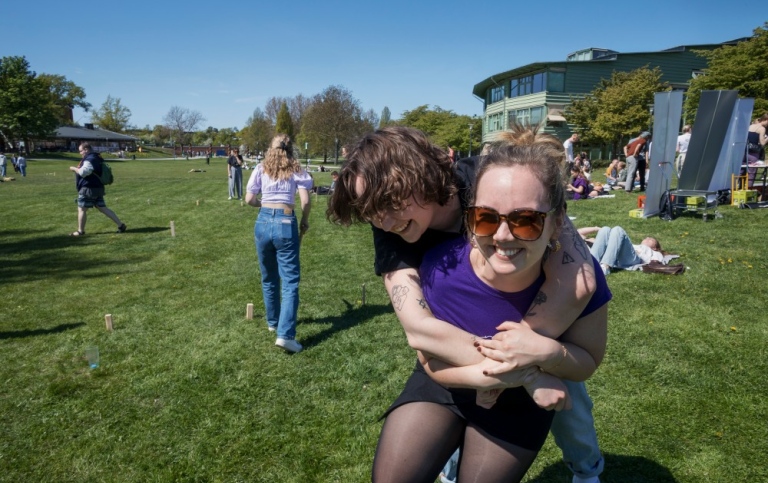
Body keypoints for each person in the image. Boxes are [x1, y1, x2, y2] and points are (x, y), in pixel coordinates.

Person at [327, 126, 605, 483]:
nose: (383, 221)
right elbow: (419, 328)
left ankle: (586, 470)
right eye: (371, 211)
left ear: (418, 175)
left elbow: (578, 281)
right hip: (472, 354)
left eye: (390, 202)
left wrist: (531, 354)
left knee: (569, 401)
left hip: (537, 331)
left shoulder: (492, 178)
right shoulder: (390, 228)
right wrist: (521, 373)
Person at [245, 134, 313, 353]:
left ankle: (273, 323)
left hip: (262, 221)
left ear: (269, 148)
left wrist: (264, 206)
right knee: (290, 281)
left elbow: (248, 199)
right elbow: (305, 201)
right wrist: (304, 221)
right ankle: (285, 335)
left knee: (269, 277)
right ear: (289, 149)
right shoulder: (296, 169)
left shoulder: (260, 168)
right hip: (285, 221)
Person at [68, 142, 126, 236]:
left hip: (88, 188)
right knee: (103, 208)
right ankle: (121, 225)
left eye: (81, 151)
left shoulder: (90, 159)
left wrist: (74, 169)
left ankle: (80, 231)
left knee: (82, 209)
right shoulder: (98, 157)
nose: (80, 153)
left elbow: (84, 172)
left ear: (86, 150)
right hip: (98, 188)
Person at [578, 226, 664, 276]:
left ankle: (605, 267)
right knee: (605, 229)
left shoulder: (655, 253)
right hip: (621, 256)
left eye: (651, 240)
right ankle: (591, 264)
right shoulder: (634, 245)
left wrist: (641, 254)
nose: (647, 238)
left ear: (655, 247)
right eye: (647, 237)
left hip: (635, 259)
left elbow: (655, 261)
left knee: (618, 229)